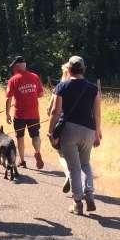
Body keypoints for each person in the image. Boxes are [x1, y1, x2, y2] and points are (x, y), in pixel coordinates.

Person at [48, 56, 102, 215]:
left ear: (69, 69)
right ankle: (89, 192)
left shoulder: (62, 86)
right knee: (85, 163)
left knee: (74, 168)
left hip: (69, 130)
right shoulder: (93, 89)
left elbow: (55, 112)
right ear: (83, 69)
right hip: (88, 130)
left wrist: (51, 132)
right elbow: (97, 114)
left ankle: (77, 203)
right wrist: (97, 133)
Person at [6, 56, 44, 169]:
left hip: (19, 115)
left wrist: (7, 113)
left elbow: (8, 98)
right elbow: (41, 94)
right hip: (34, 114)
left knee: (20, 137)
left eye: (13, 67)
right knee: (35, 135)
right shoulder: (35, 77)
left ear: (17, 67)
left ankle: (22, 161)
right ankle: (37, 151)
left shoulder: (13, 79)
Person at [47, 63, 71, 193]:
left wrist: (50, 130)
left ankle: (68, 174)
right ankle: (86, 188)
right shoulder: (82, 84)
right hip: (81, 125)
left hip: (62, 123)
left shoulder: (61, 85)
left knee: (61, 153)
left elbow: (54, 108)